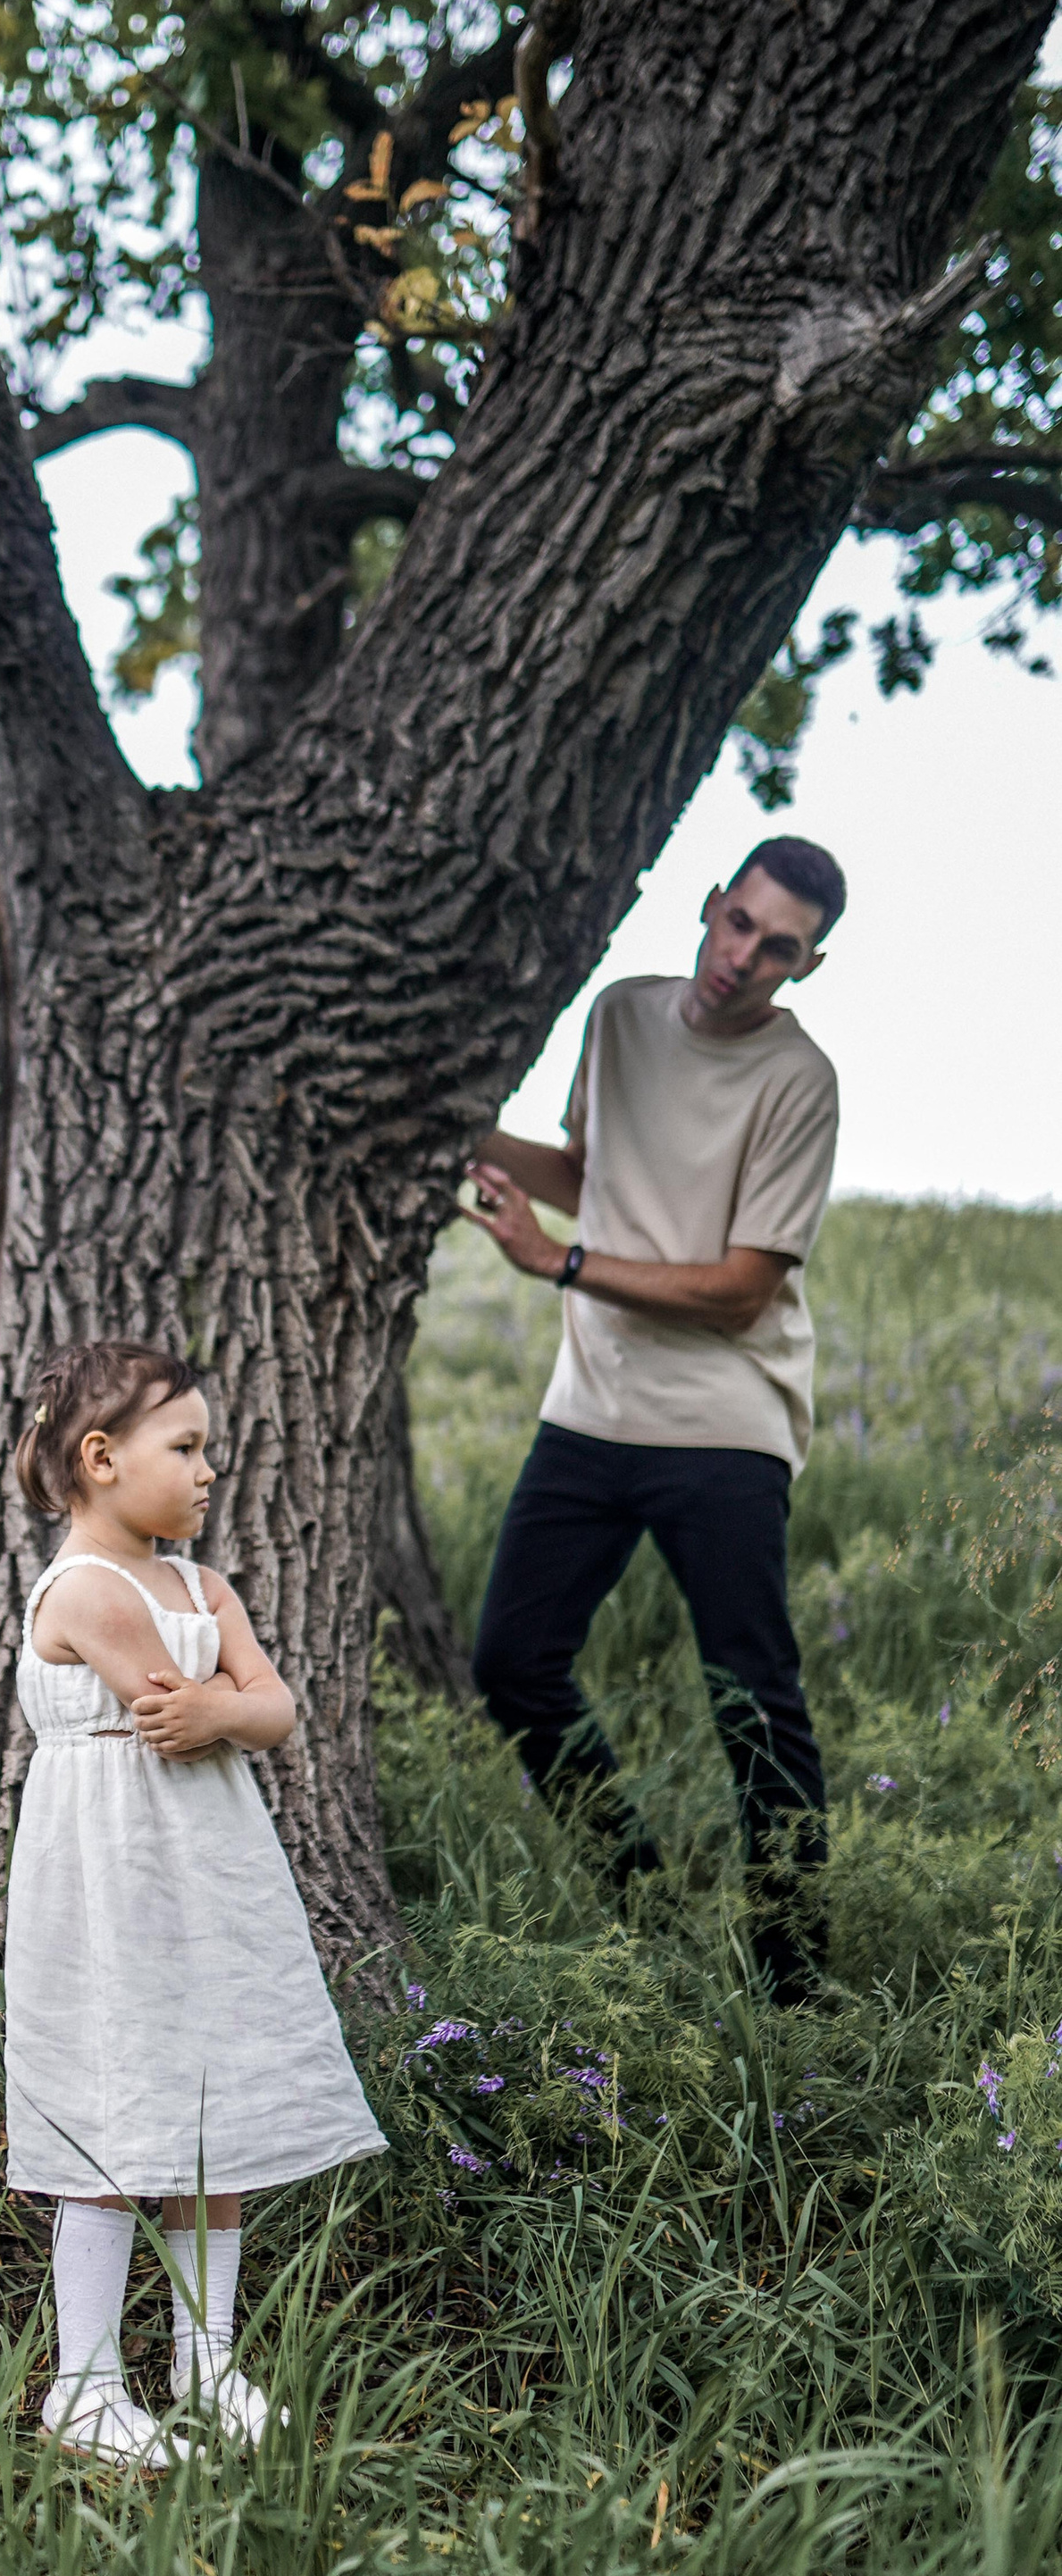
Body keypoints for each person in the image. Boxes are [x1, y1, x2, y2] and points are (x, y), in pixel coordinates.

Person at [462, 836, 847, 2000]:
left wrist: (556, 1262)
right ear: (713, 904)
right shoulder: (622, 1013)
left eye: (778, 947)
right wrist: (456, 1126)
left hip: (724, 1421)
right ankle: (648, 1907)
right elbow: (592, 1173)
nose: (744, 955)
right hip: (591, 1407)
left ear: (806, 966)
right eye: (740, 923)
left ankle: (793, 1979)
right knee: (513, 1664)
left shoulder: (799, 1081)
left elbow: (741, 1289)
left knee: (751, 1696)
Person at [3, 1340, 385, 2463]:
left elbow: (270, 1710)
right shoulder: (88, 1589)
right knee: (114, 2110)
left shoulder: (202, 1585)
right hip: (113, 1889)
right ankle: (84, 2386)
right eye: (186, 1447)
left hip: (206, 1880)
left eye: (206, 1447)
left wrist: (224, 1707)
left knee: (209, 2107)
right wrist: (223, 1701)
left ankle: (205, 2364)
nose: (210, 1468)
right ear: (101, 1459)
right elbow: (170, 1705)